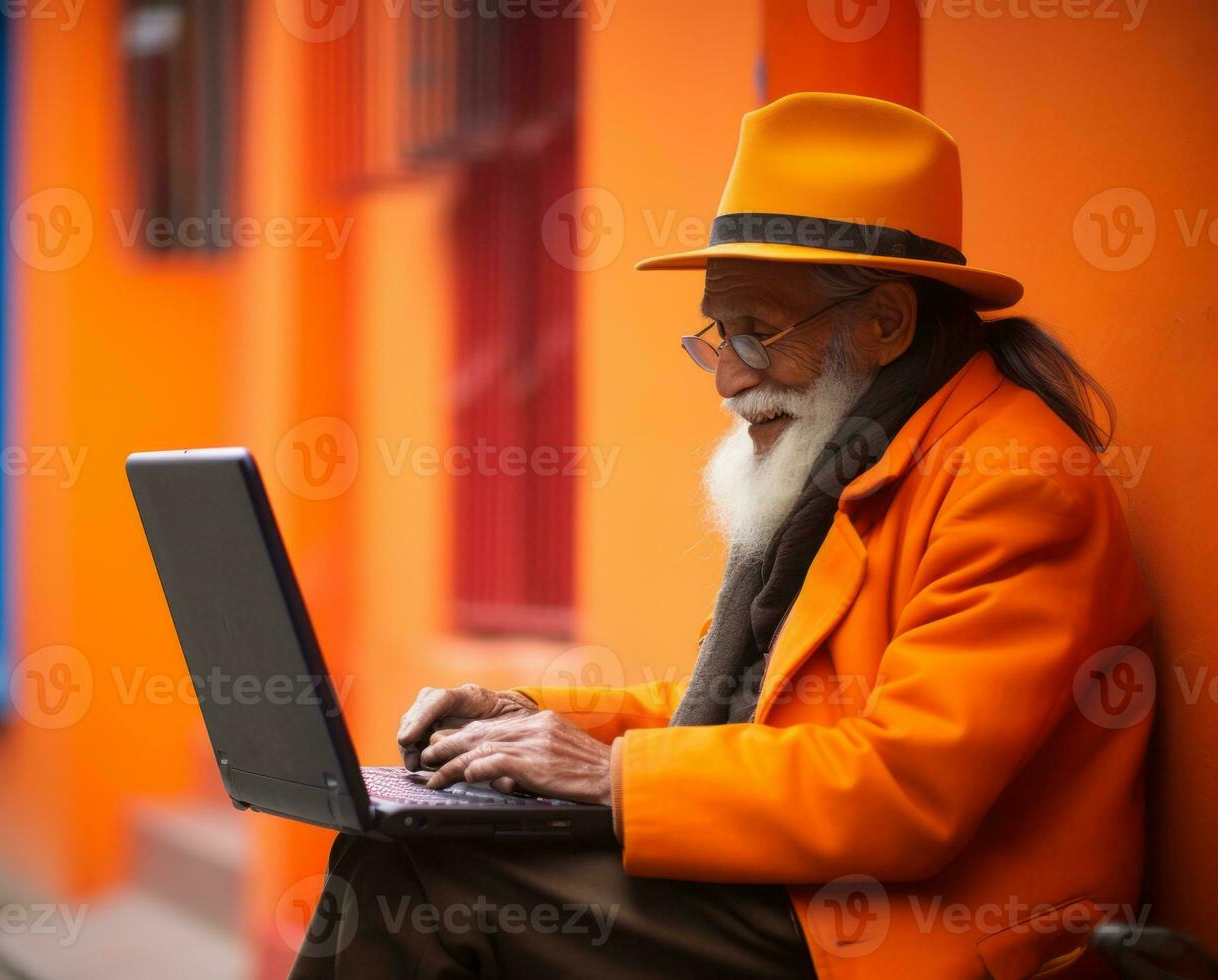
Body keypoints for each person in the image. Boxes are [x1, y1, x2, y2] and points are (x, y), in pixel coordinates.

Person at [290, 92, 1153, 980]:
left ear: (887, 322)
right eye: (717, 333)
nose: (728, 376)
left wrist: (609, 776)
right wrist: (540, 727)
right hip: (816, 893)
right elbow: (752, 714)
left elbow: (906, 794)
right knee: (400, 848)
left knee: (425, 881)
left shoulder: (1014, 480)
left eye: (758, 330)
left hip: (925, 931)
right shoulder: (865, 445)